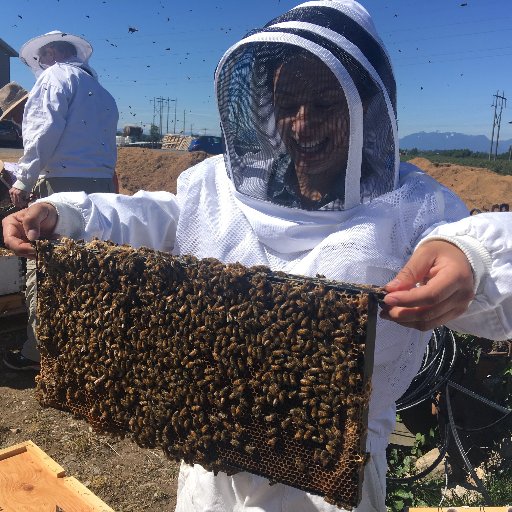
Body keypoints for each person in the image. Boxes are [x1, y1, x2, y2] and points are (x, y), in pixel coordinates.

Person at [3, 2, 512, 510]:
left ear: (364, 108)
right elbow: (166, 217)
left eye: (325, 103)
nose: (302, 122)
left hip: (325, 482)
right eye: (286, 102)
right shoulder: (224, 185)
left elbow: (481, 252)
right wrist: (64, 212)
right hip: (210, 460)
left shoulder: (411, 208)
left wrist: (472, 255)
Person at [2, 31, 119, 372]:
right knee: (95, 263)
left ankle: (37, 352)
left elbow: (44, 130)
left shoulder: (55, 77)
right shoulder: (102, 91)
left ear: (50, 53)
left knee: (47, 266)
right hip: (99, 187)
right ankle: (92, 343)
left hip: (61, 184)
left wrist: (23, 180)